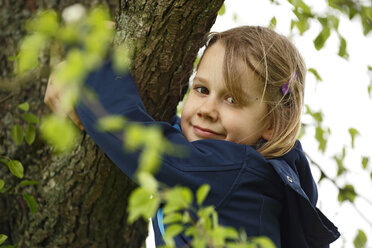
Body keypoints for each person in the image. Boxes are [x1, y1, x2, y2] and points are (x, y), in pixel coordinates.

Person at [45, 26, 340, 247]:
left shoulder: (234, 172)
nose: (208, 110)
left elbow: (133, 136)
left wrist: (86, 63)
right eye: (201, 89)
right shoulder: (243, 177)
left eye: (232, 100)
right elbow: (171, 135)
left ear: (272, 124)